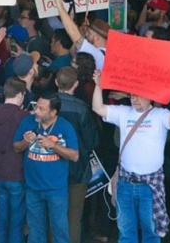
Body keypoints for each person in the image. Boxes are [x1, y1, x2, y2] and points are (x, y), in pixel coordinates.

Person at [91, 71, 170, 243]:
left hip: (150, 185)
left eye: (138, 96)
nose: (134, 99)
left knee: (151, 232)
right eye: (132, 96)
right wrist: (98, 85)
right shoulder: (123, 112)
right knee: (126, 232)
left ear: (150, 97)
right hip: (125, 182)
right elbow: (98, 108)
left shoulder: (160, 115)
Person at [12, 92, 80, 243]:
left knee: (60, 231)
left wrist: (53, 145)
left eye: (41, 109)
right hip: (32, 188)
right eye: (36, 106)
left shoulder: (65, 126)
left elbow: (75, 155)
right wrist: (25, 141)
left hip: (56, 190)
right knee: (35, 233)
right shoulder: (28, 122)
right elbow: (16, 147)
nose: (36, 111)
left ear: (53, 112)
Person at [55, 67, 100, 243]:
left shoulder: (45, 105)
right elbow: (91, 142)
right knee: (74, 219)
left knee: (53, 216)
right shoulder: (82, 109)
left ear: (56, 82)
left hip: (50, 169)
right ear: (76, 84)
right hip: (78, 170)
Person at [0, 78, 29, 243]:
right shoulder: (23, 116)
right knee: (16, 221)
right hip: (17, 173)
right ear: (19, 95)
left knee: (2, 217)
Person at [54, 0, 107, 70]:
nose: (86, 35)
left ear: (97, 38)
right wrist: (82, 33)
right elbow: (73, 52)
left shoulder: (97, 55)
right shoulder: (108, 54)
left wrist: (59, 4)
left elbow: (73, 33)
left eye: (89, 33)